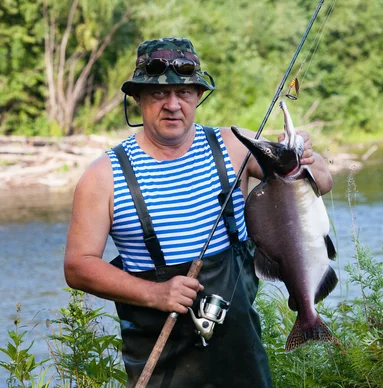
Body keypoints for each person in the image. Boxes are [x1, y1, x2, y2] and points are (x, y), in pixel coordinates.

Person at [63, 37, 333, 388]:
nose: (173, 104)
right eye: (159, 94)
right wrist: (155, 294)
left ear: (197, 96)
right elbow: (78, 266)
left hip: (241, 356)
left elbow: (319, 182)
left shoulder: (233, 145)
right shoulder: (103, 177)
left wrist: (310, 160)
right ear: (138, 99)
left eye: (185, 93)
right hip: (161, 362)